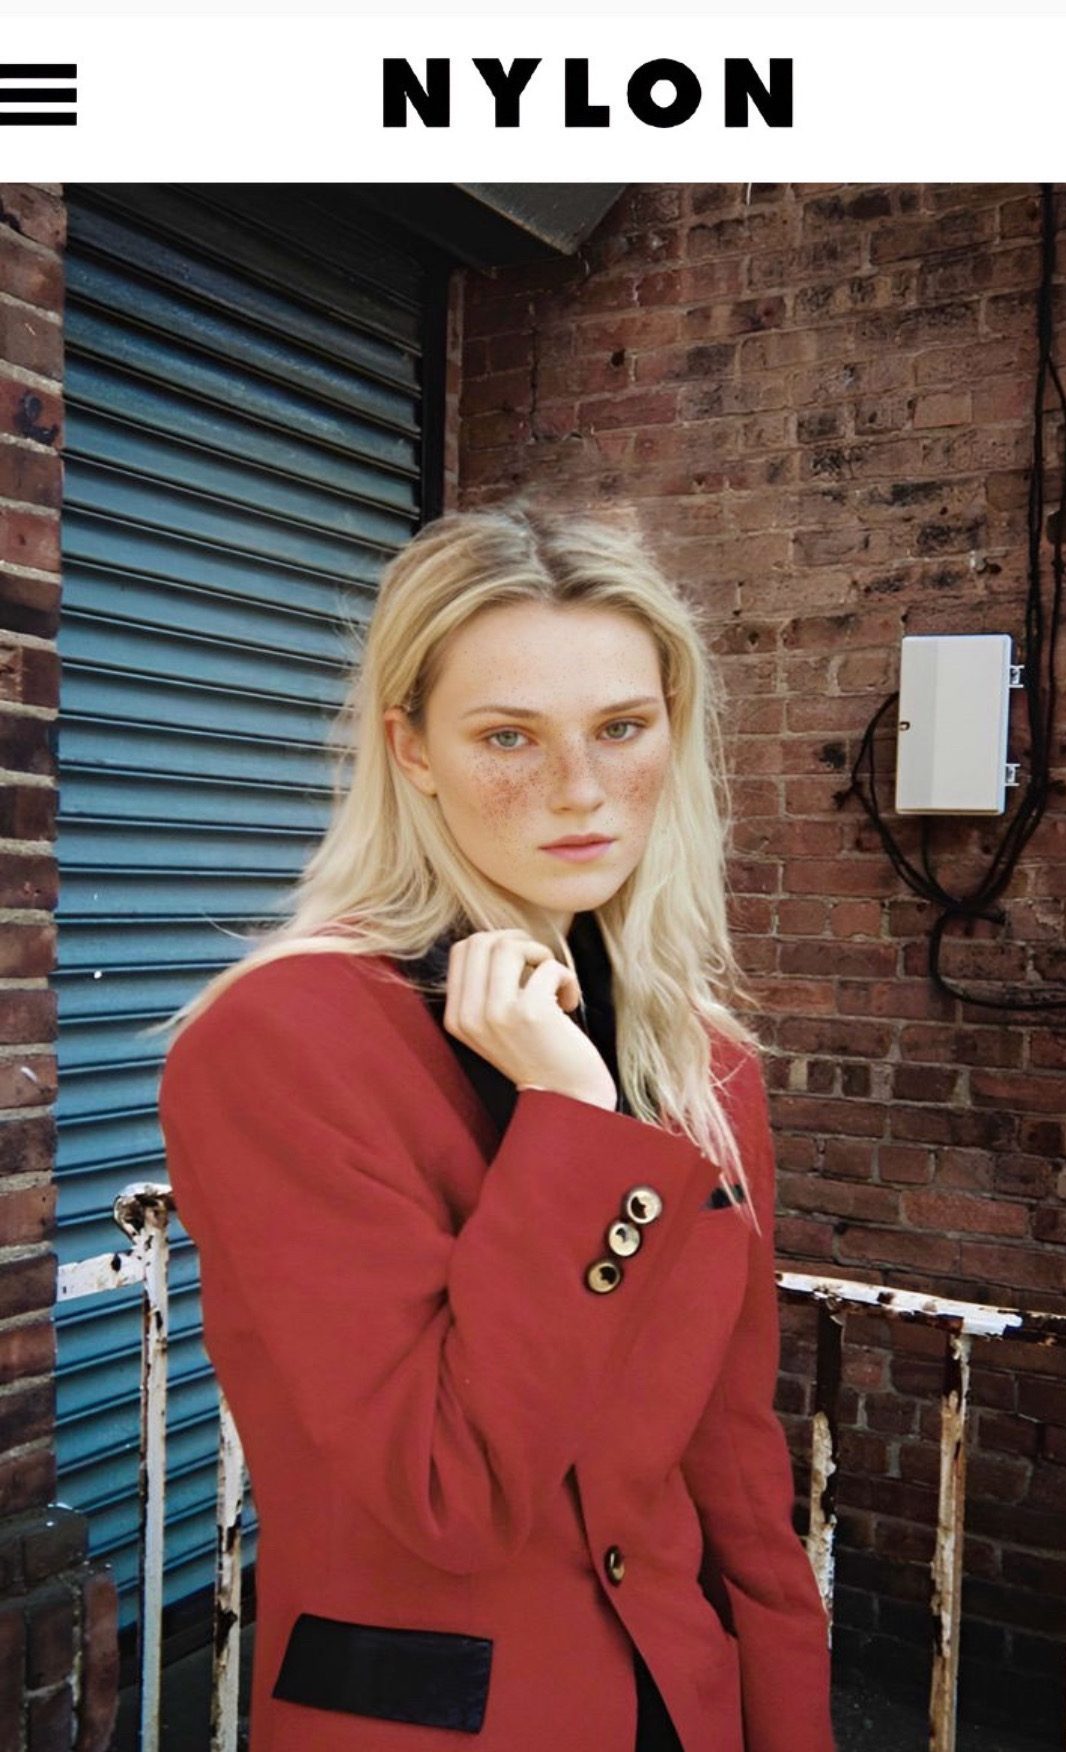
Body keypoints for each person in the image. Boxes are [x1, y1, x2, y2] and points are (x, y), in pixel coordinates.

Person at [154, 499, 835, 1752]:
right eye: (508, 736)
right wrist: (569, 1120)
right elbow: (444, 1489)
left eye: (621, 728)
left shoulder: (699, 1056)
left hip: (681, 1704)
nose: (580, 790)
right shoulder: (282, 1039)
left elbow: (735, 1468)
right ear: (412, 749)